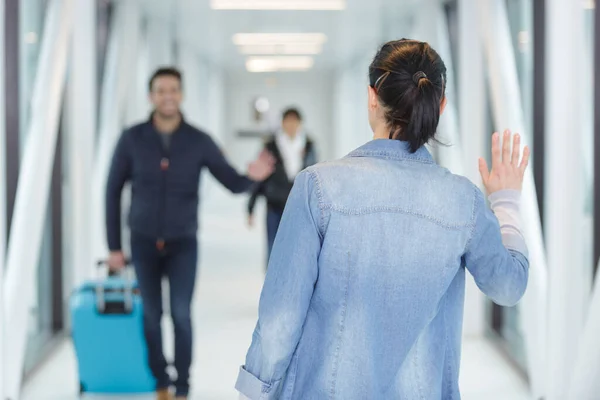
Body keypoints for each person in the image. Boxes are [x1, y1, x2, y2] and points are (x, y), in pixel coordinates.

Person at [235, 39, 530, 399]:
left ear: (372, 97)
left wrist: (258, 388)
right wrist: (506, 202)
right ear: (441, 105)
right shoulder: (463, 200)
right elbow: (508, 287)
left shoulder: (319, 186)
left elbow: (281, 315)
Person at [105, 67, 274, 400]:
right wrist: (114, 246)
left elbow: (232, 182)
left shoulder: (198, 140)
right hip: (142, 242)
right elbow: (112, 191)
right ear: (151, 96)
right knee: (152, 317)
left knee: (181, 315)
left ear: (181, 95)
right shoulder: (132, 138)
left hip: (183, 242)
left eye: (174, 90)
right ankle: (161, 383)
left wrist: (253, 177)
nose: (168, 96)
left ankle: (182, 386)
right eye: (161, 90)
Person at [247, 108, 318, 268]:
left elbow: (315, 177)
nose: (291, 125)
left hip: (299, 206)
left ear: (300, 124)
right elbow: (260, 178)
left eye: (295, 122)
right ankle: (273, 283)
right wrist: (250, 207)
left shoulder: (309, 146)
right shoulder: (271, 146)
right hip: (275, 205)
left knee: (298, 247)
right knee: (273, 246)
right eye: (288, 121)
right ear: (282, 123)